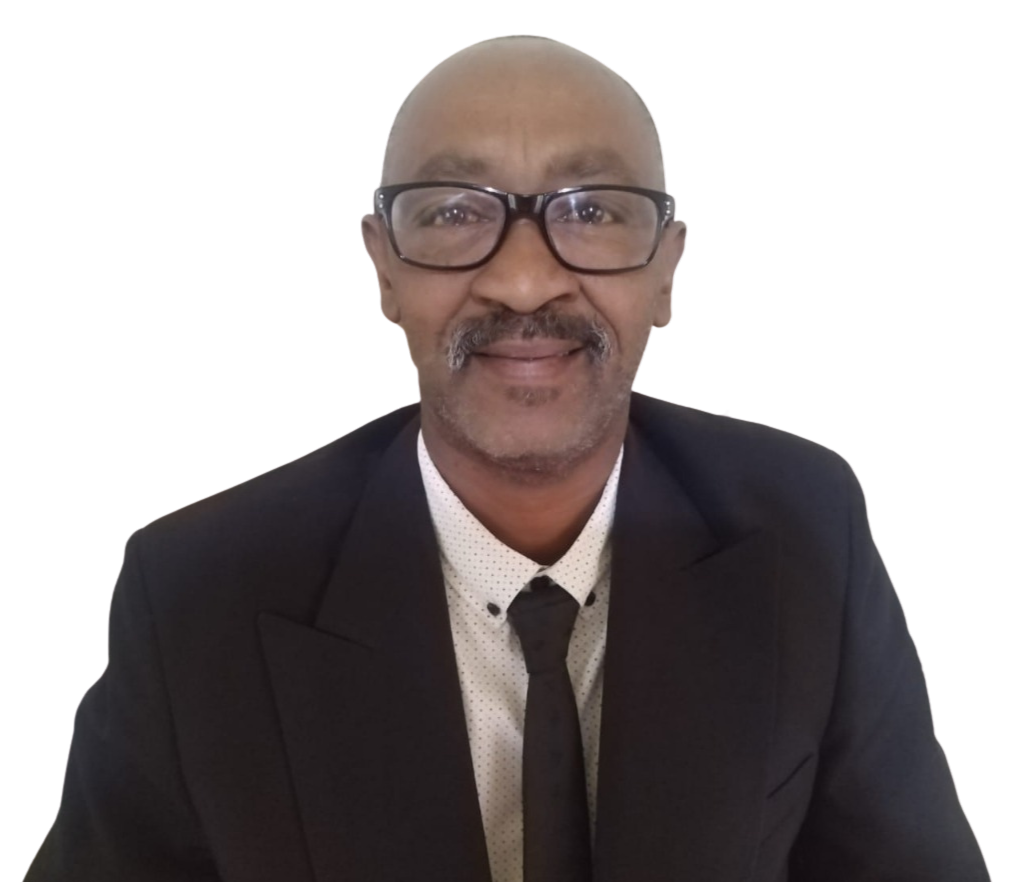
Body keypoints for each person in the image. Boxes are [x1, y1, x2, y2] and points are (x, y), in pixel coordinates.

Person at [25, 35, 989, 882]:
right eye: (453, 212)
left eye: (593, 210)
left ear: (667, 271)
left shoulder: (807, 523)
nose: (524, 281)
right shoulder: (195, 590)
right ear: (383, 269)